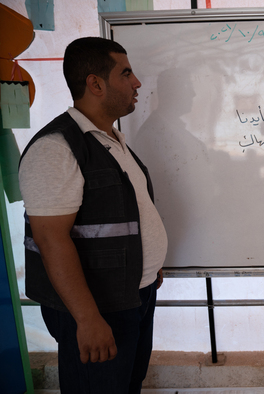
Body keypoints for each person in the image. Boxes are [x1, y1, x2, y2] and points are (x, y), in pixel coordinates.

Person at [18, 37, 168, 394]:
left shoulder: (110, 137)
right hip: (96, 305)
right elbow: (50, 238)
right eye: (126, 73)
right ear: (95, 83)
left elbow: (123, 210)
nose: (137, 83)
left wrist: (149, 260)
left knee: (127, 382)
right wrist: (87, 319)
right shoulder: (56, 148)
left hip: (134, 293)